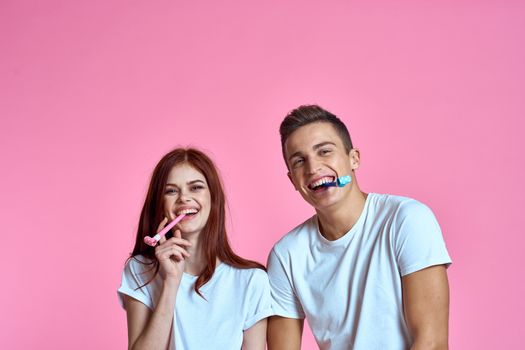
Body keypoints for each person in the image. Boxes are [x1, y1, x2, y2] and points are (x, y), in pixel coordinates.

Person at [266, 105, 452, 350]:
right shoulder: (286, 255)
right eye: (299, 161)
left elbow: (432, 344)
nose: (313, 168)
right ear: (292, 179)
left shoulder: (406, 219)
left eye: (324, 151)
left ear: (354, 159)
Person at [118, 148, 273, 350]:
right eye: (171, 190)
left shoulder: (251, 281)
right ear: (160, 203)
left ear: (213, 198)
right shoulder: (140, 270)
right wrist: (171, 282)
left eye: (196, 187)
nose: (184, 198)